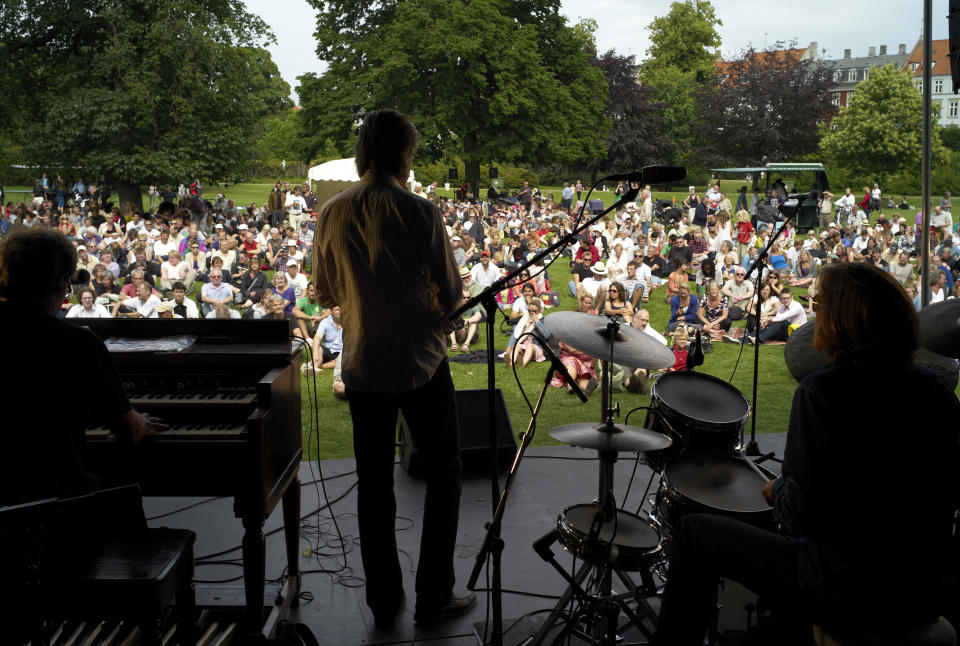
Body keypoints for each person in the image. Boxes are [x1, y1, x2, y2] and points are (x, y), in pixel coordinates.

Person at [653, 262, 960, 646]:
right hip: (920, 591)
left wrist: (778, 491)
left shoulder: (823, 393)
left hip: (843, 588)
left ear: (840, 321)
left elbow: (804, 517)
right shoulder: (937, 391)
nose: (814, 314)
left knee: (692, 532)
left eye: (819, 305)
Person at [312, 109, 473, 628]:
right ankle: (435, 595)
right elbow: (450, 297)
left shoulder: (331, 212)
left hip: (361, 363)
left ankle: (384, 599)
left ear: (363, 152)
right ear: (404, 153)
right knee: (444, 474)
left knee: (373, 482)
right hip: (422, 362)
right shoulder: (422, 212)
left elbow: (325, 291)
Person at [0, 228, 163, 506]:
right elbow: (129, 431)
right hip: (55, 500)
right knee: (125, 481)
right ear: (62, 282)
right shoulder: (77, 343)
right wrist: (141, 422)